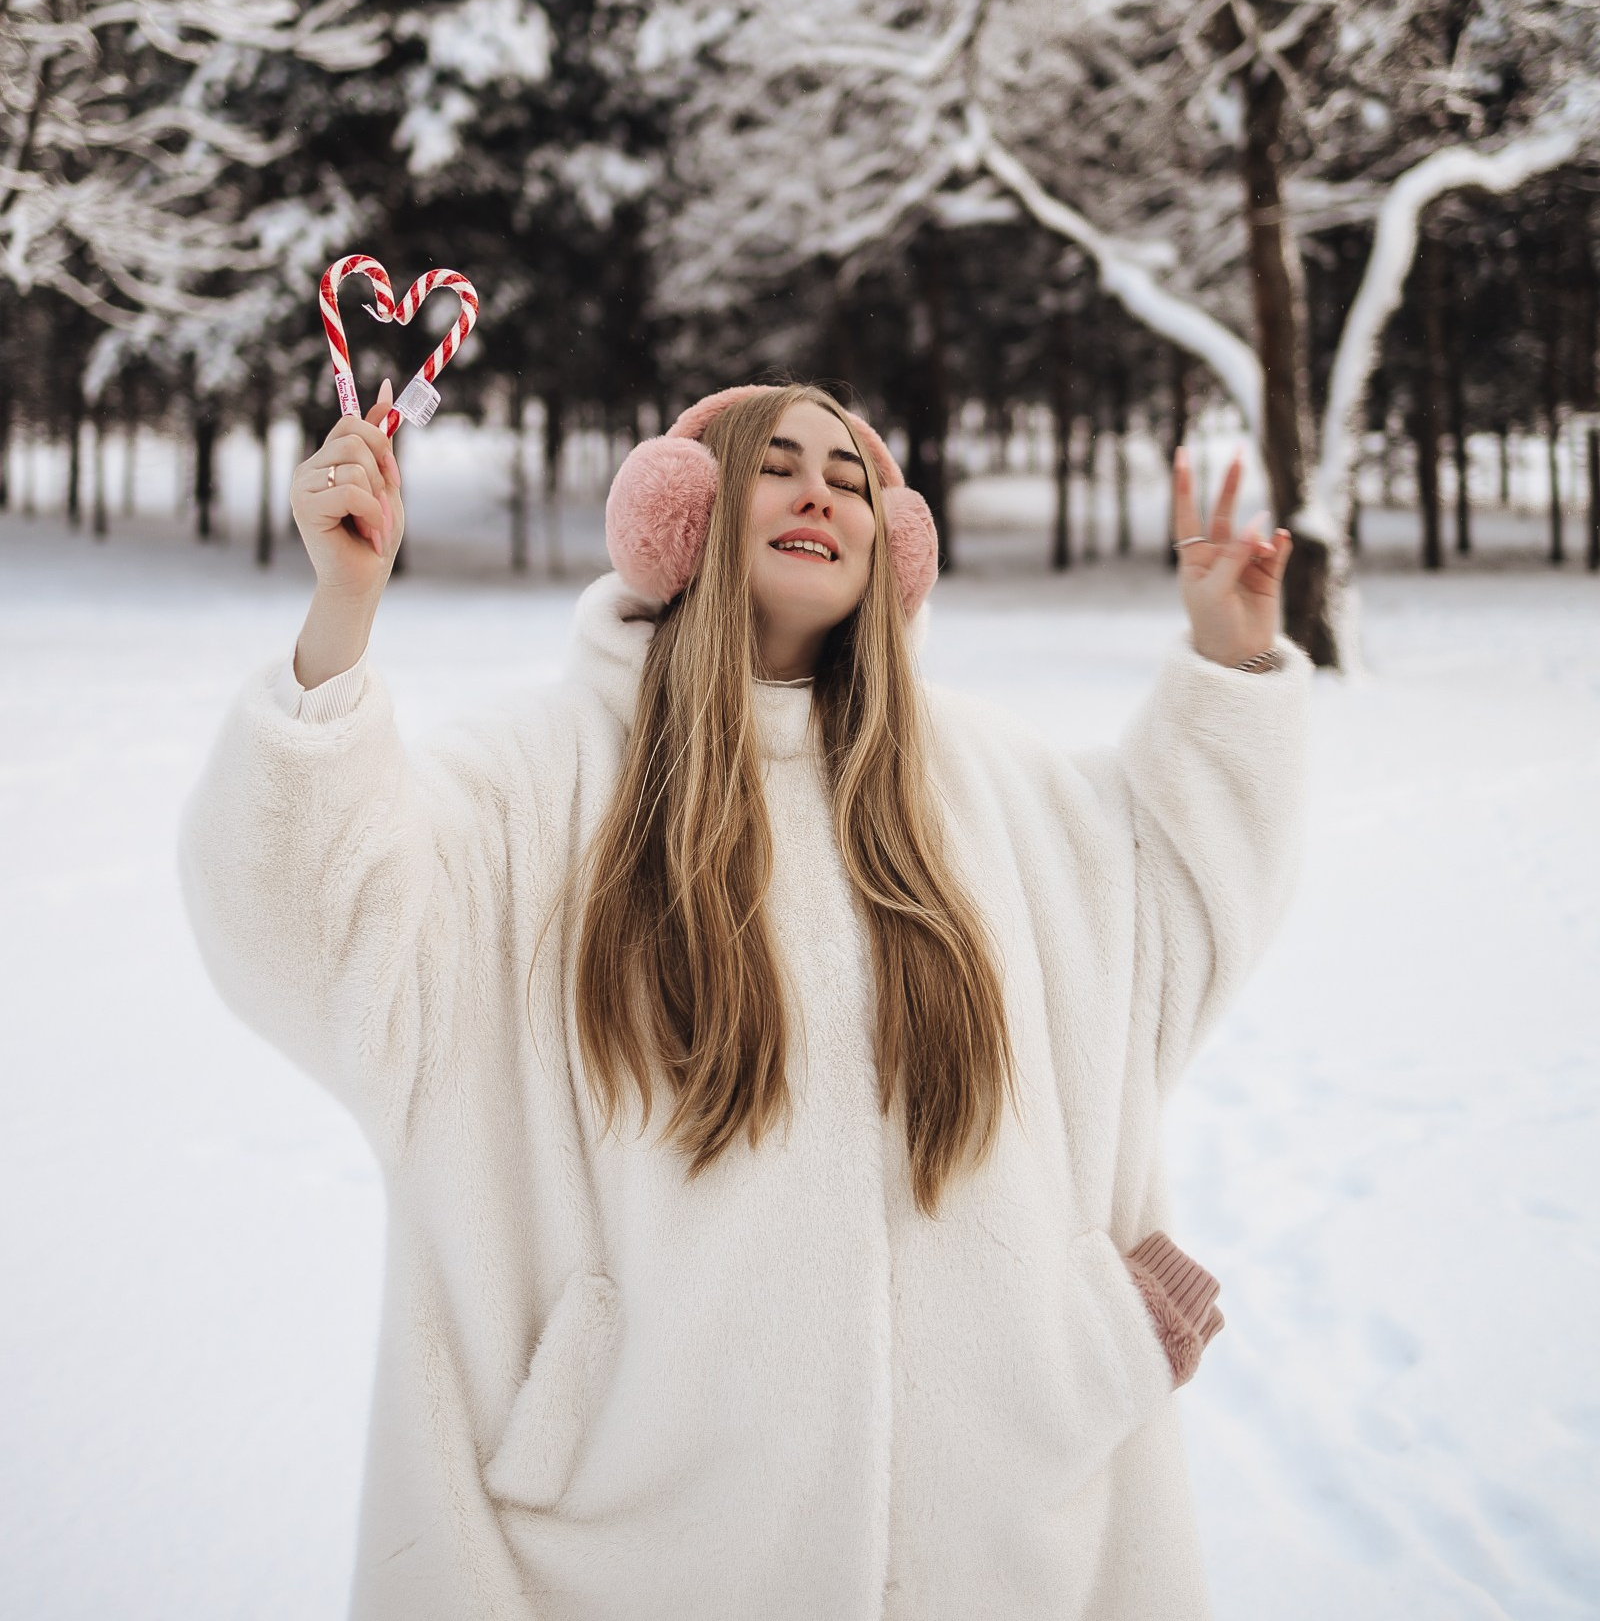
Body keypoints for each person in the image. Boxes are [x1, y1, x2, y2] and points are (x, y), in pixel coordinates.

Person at [179, 376, 1309, 1621]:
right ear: (683, 512)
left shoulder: (988, 786)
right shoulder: (536, 787)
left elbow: (1175, 920)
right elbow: (312, 934)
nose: (819, 486)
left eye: (852, 473)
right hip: (631, 1552)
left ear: (896, 544)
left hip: (1008, 1536)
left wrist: (1230, 660)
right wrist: (340, 616)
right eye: (775, 461)